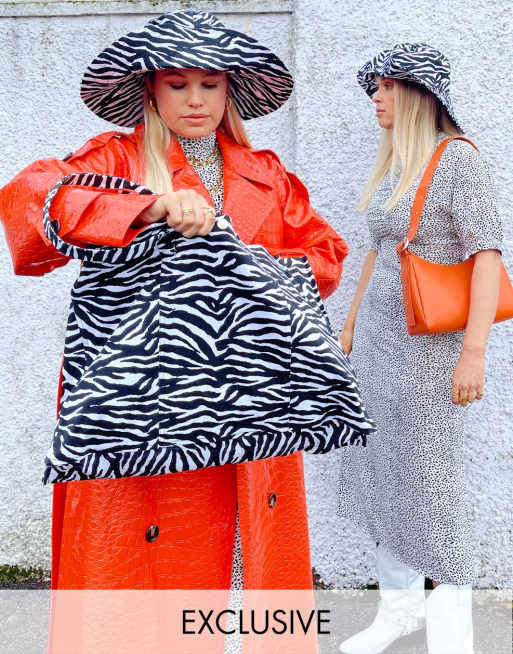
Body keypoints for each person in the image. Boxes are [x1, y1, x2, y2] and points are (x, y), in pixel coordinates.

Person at [0, 9, 350, 649]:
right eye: (178, 84)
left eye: (210, 84)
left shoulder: (265, 172)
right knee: (141, 575)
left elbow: (324, 252)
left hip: (255, 398)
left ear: (230, 90)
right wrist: (149, 207)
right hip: (142, 405)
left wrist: (246, 276)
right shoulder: (115, 157)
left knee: (249, 562)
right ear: (150, 89)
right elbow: (32, 201)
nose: (195, 100)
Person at [336, 43, 504, 654]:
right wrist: (349, 328)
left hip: (430, 355)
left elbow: (487, 257)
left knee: (430, 488)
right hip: (378, 349)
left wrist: (474, 353)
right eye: (374, 87)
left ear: (418, 93)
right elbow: (379, 253)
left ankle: (454, 637)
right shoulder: (397, 162)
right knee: (386, 477)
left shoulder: (458, 160)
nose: (375, 97)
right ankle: (399, 612)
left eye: (386, 86)